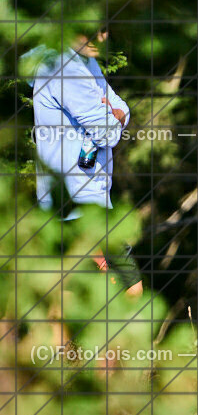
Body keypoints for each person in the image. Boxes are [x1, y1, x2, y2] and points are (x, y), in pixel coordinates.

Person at [30, 28, 140, 295]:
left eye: (105, 29)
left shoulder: (85, 60)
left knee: (131, 289)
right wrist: (111, 115)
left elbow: (122, 109)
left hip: (97, 203)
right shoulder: (62, 67)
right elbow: (108, 131)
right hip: (74, 208)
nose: (102, 38)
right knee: (107, 300)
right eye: (92, 32)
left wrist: (113, 113)